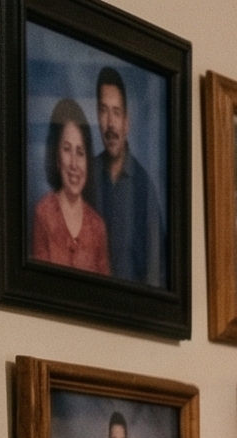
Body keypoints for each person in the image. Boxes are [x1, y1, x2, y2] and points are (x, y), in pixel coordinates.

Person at [89, 67, 164, 287]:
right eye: (104, 111)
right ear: (97, 115)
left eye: (117, 112)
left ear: (127, 122)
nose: (110, 123)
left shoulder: (144, 189)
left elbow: (157, 275)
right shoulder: (84, 178)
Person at [31, 98, 109, 275]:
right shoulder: (43, 213)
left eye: (80, 153)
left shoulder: (98, 227)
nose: (74, 164)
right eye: (67, 149)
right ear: (57, 158)